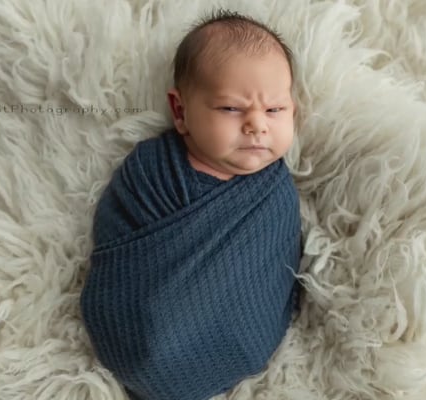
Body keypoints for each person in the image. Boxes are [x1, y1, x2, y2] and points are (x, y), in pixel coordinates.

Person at [80, 9, 303, 400]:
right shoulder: (152, 171)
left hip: (239, 342)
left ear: (292, 111)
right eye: (231, 108)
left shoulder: (274, 192)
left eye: (274, 110)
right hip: (141, 336)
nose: (257, 124)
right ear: (181, 112)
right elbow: (118, 242)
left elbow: (277, 269)